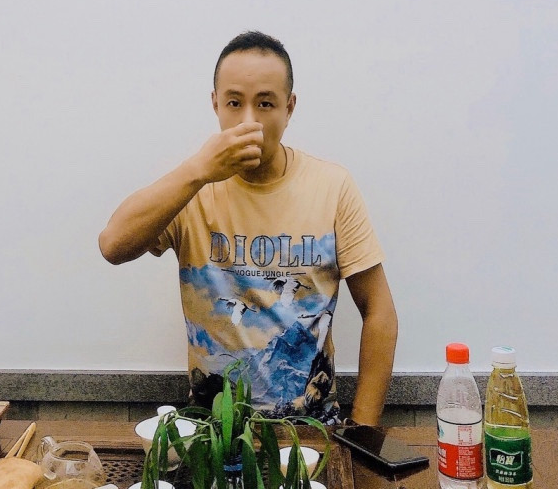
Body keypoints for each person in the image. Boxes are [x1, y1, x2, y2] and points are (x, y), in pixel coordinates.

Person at [99, 31, 398, 425]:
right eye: (234, 103)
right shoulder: (191, 188)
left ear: (289, 108)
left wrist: (363, 430)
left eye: (266, 104)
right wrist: (198, 170)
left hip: (312, 432)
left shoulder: (332, 187)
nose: (249, 121)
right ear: (215, 103)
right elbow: (113, 245)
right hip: (212, 433)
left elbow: (379, 310)